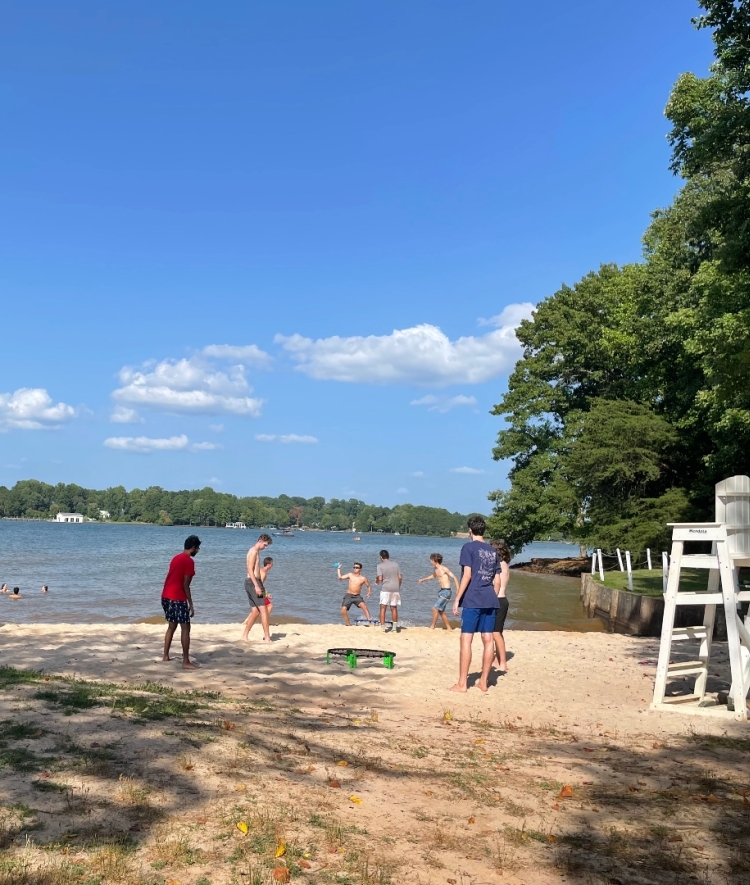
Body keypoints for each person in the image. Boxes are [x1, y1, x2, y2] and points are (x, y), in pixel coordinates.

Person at [450, 516, 499, 693]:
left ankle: (463, 683)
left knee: (466, 639)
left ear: (470, 530)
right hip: (490, 598)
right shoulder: (493, 551)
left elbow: (467, 575)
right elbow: (497, 578)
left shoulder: (468, 547)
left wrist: (457, 599)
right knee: (488, 640)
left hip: (473, 598)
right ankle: (484, 682)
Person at [161, 535, 201, 670]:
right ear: (193, 547)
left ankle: (165, 656)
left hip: (166, 595)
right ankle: (185, 661)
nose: (198, 551)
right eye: (198, 548)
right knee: (185, 628)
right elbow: (186, 584)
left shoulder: (175, 558)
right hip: (177, 597)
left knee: (171, 626)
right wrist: (191, 603)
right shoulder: (189, 561)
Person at [241, 534, 273, 642]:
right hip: (252, 582)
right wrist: (256, 586)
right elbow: (250, 569)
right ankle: (267, 637)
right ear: (260, 541)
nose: (265, 547)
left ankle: (244, 636)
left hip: (253, 583)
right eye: (265, 544)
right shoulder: (254, 551)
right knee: (263, 610)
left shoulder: (255, 551)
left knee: (255, 611)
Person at [418, 553, 459, 630]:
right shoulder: (436, 569)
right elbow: (433, 576)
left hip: (447, 592)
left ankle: (432, 626)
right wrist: (423, 579)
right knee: (440, 611)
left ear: (435, 560)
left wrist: (457, 589)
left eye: (431, 560)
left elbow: (454, 577)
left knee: (435, 608)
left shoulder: (444, 569)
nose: (430, 561)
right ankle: (449, 628)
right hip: (442, 592)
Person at [490, 541, 511, 672]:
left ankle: (503, 663)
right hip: (501, 600)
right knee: (496, 633)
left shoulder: (500, 565)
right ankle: (498, 660)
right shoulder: (504, 564)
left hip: (498, 600)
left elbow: (496, 585)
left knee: (496, 633)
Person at [376, 550, 402, 632]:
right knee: (394, 607)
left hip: (386, 588)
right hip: (395, 588)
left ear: (381, 557)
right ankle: (394, 628)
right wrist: (398, 585)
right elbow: (400, 577)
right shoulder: (395, 564)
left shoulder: (380, 566)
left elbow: (380, 578)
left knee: (383, 607)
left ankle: (383, 627)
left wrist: (376, 580)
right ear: (388, 556)